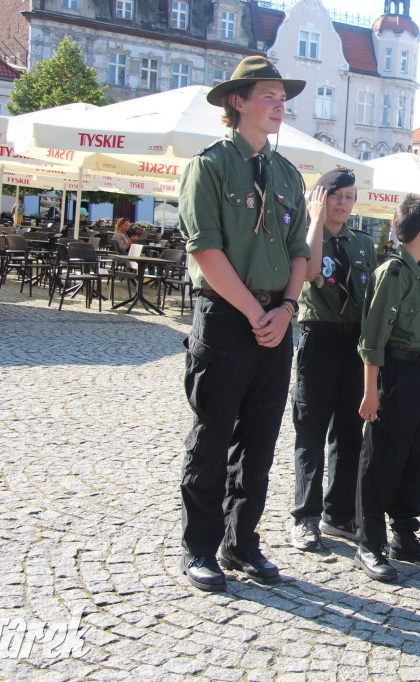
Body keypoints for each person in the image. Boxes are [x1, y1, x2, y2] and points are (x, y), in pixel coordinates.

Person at [177, 56, 310, 591]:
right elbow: (205, 250)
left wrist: (286, 309)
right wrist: (257, 313)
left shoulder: (286, 173)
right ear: (238, 101)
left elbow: (300, 249)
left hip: (275, 320)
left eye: (283, 98)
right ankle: (200, 548)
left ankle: (242, 542)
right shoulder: (209, 166)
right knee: (211, 436)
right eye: (269, 96)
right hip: (228, 319)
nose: (280, 105)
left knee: (259, 440)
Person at [353, 194, 420, 582]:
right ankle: (369, 542)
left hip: (419, 372)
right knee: (382, 458)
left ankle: (404, 535)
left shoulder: (417, 271)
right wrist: (371, 390)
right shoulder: (393, 273)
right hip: (394, 372)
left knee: (416, 455)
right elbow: (373, 339)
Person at [290, 168, 375, 552]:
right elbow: (309, 272)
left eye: (348, 197)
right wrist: (316, 220)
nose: (343, 203)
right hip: (318, 338)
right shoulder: (307, 235)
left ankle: (338, 512)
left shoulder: (362, 243)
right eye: (335, 196)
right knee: (310, 431)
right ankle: (304, 516)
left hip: (353, 342)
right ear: (320, 198)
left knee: (348, 431)